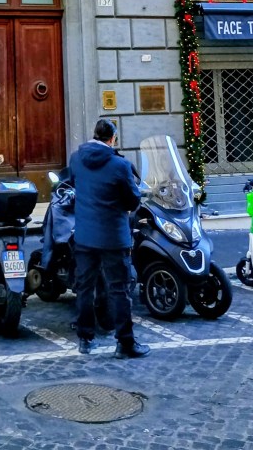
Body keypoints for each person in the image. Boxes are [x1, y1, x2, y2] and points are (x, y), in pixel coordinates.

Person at [69, 118, 150, 359]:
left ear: (95, 134)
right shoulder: (120, 165)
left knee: (85, 288)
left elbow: (74, 184)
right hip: (113, 236)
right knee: (119, 290)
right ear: (113, 138)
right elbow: (133, 200)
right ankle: (125, 342)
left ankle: (85, 339)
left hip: (85, 235)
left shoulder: (76, 159)